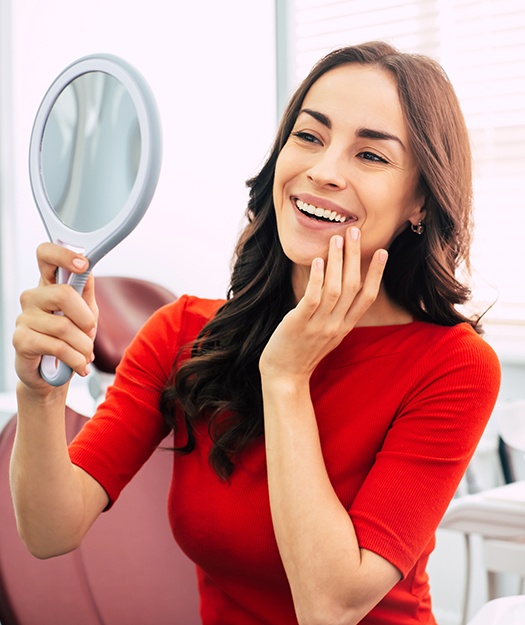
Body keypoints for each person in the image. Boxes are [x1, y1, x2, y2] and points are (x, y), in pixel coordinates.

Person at [11, 41, 500, 625]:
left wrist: (287, 376)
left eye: (370, 155)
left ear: (419, 200)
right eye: (309, 136)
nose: (323, 171)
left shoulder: (453, 366)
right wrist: (39, 395)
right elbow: (48, 530)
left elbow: (328, 606)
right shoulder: (182, 334)